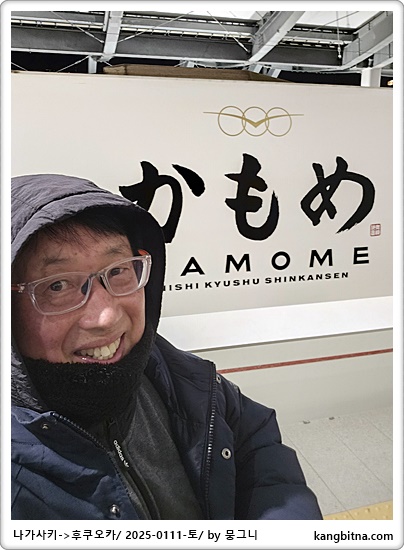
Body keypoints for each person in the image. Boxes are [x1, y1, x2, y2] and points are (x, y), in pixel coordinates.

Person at [11, 173, 323, 520]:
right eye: (57, 285)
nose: (106, 317)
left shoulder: (163, 369)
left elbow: (253, 440)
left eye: (118, 271)